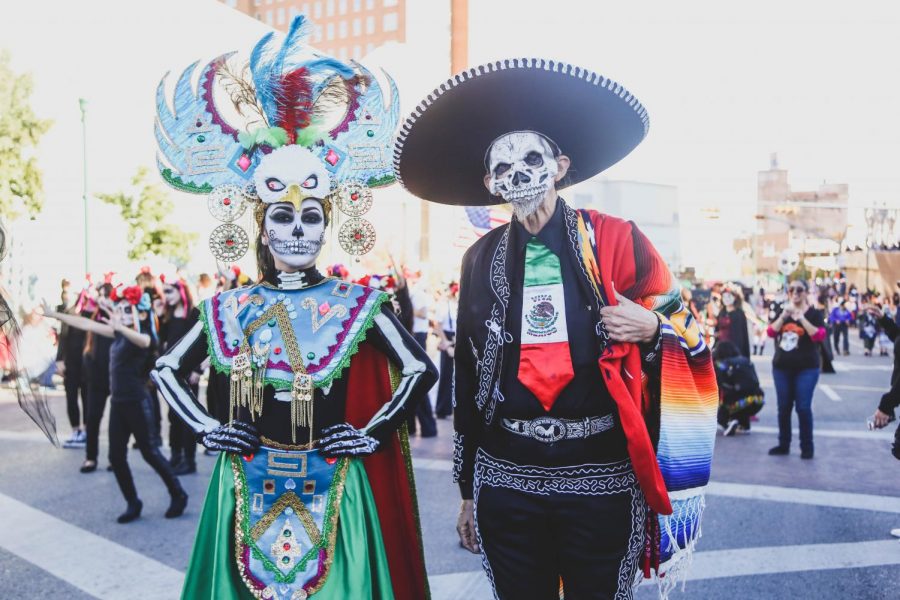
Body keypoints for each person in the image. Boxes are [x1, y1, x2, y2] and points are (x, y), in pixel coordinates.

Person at [394, 58, 718, 597]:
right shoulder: (478, 260)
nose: (517, 174)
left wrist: (651, 327)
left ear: (560, 165)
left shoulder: (619, 241)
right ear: (489, 182)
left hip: (600, 476)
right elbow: (471, 378)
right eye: (503, 166)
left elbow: (691, 333)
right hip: (507, 477)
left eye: (531, 158)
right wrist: (467, 491)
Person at [150, 18, 437, 599]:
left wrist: (370, 431)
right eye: (283, 216)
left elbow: (419, 368)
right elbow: (164, 368)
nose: (299, 230)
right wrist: (207, 427)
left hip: (337, 487)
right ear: (261, 224)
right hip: (243, 486)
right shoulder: (229, 306)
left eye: (312, 217)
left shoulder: (358, 303)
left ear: (330, 224)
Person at [42, 286, 188, 522]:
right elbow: (87, 324)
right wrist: (56, 316)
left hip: (137, 403)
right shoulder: (119, 333)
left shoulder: (143, 335)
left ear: (141, 314)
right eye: (120, 311)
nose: (121, 315)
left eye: (127, 311)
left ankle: (178, 493)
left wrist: (121, 327)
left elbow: (145, 341)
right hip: (119, 405)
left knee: (150, 453)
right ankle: (133, 502)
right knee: (116, 457)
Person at [767, 280, 827, 459]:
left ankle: (807, 447)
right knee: (783, 407)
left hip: (807, 368)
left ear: (806, 292)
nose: (795, 293)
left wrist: (801, 318)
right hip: (782, 368)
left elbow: (819, 336)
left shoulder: (815, 313)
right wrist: (784, 316)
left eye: (799, 290)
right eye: (791, 289)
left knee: (803, 407)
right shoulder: (782, 311)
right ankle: (783, 444)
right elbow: (771, 332)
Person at [159, 277, 200, 475]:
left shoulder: (193, 313)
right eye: (165, 292)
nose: (166, 296)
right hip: (171, 373)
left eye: (170, 291)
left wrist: (198, 369)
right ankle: (175, 456)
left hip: (188, 372)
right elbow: (162, 341)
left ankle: (189, 460)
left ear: (181, 291)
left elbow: (203, 342)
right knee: (173, 416)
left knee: (188, 418)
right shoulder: (167, 314)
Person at [56, 282, 90, 448]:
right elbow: (62, 337)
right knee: (71, 397)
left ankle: (86, 431)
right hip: (70, 362)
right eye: (65, 293)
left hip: (86, 362)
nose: (67, 296)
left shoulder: (88, 313)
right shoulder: (66, 313)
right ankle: (75, 430)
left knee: (86, 397)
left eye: (71, 293)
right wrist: (59, 359)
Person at [407, 274, 438, 437]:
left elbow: (424, 313)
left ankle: (427, 426)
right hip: (412, 335)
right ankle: (411, 425)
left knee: (418, 379)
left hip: (418, 336)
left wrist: (406, 308)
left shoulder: (418, 294)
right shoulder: (410, 293)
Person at [713, 340, 764, 435]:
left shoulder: (720, 364)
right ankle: (744, 425)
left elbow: (720, 386)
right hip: (759, 399)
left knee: (723, 412)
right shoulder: (745, 360)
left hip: (738, 403)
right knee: (742, 405)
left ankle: (728, 424)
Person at [435, 282, 459, 419]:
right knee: (446, 374)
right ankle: (442, 409)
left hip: (456, 337)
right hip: (447, 337)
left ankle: (454, 407)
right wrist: (446, 343)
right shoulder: (443, 305)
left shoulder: (457, 303)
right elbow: (437, 325)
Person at [714, 284, 750, 357]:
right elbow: (718, 329)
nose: (726, 299)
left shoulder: (739, 313)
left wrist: (746, 355)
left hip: (735, 348)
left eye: (729, 296)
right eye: (724, 296)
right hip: (721, 348)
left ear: (735, 297)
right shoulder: (721, 312)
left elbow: (743, 334)